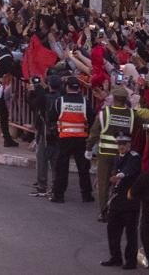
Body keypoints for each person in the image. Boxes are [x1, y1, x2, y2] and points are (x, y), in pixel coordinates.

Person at [88, 86, 149, 222]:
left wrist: (88, 147)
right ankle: (119, 210)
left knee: (104, 183)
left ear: (114, 99)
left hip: (105, 154)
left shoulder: (105, 113)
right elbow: (145, 125)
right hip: (123, 155)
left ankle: (104, 213)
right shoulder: (132, 114)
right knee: (122, 182)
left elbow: (94, 132)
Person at [51, 76, 94, 204]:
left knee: (62, 168)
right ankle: (86, 195)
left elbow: (51, 117)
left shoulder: (60, 101)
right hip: (81, 139)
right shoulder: (85, 102)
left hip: (64, 138)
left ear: (66, 87)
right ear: (79, 89)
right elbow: (92, 119)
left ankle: (59, 195)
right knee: (83, 168)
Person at [102, 134, 142, 269]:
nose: (121, 147)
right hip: (117, 200)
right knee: (112, 230)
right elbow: (114, 172)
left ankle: (130, 261)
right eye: (119, 144)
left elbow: (129, 170)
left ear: (129, 145)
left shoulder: (134, 157)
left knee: (131, 234)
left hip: (130, 201)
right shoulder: (117, 157)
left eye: (124, 144)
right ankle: (115, 257)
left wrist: (119, 176)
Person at [28, 74, 63, 197]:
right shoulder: (63, 99)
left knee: (42, 159)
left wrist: (33, 91)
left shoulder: (44, 98)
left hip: (45, 132)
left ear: (48, 84)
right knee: (55, 161)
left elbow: (33, 104)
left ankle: (42, 186)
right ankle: (55, 187)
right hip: (60, 133)